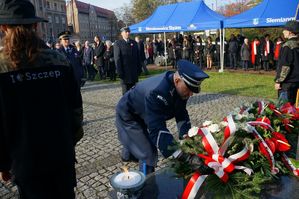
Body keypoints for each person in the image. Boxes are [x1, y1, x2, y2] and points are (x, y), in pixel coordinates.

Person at [0, 0, 83, 199]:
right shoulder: (60, 61)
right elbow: (76, 110)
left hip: (26, 162)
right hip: (61, 155)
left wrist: (3, 163)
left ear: (3, 28)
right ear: (36, 26)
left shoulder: (2, 68)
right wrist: (68, 141)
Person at [115, 59, 209, 174]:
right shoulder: (157, 92)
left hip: (144, 111)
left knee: (138, 141)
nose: (191, 94)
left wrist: (187, 138)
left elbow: (181, 112)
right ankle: (147, 183)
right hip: (130, 115)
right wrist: (184, 156)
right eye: (189, 89)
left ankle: (128, 153)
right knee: (148, 152)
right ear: (178, 80)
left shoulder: (180, 87)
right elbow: (157, 129)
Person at [275, 21, 299, 105]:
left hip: (287, 83)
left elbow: (285, 66)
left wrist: (278, 81)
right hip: (297, 82)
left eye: (284, 30)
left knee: (284, 110)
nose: (283, 32)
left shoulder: (287, 46)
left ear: (290, 32)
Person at [114, 27, 142, 95]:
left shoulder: (134, 43)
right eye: (126, 32)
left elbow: (138, 57)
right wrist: (119, 71)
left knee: (133, 92)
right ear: (122, 33)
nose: (128, 33)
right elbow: (117, 58)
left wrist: (139, 68)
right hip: (124, 72)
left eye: (128, 32)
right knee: (126, 93)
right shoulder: (118, 43)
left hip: (133, 72)